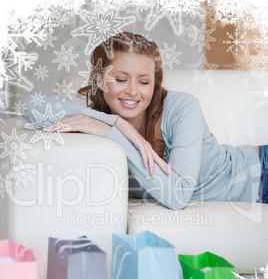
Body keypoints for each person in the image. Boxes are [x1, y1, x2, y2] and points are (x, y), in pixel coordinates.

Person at [25, 32, 268, 210]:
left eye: (144, 82)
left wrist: (115, 132)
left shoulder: (182, 107)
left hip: (259, 173)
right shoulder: (96, 123)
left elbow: (177, 195)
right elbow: (29, 105)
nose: (133, 91)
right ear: (99, 80)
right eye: (120, 79)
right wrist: (117, 124)